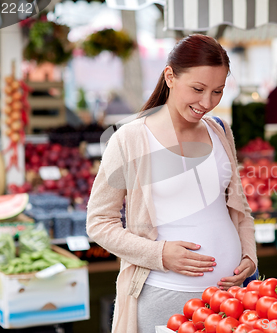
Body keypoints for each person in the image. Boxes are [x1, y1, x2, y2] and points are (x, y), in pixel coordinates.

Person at [86, 34, 257, 333]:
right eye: (198, 89)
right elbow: (99, 222)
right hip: (166, 297)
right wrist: (160, 254)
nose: (207, 103)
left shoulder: (220, 131)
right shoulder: (130, 138)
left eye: (217, 91)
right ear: (170, 76)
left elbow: (238, 209)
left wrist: (248, 255)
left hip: (229, 299)